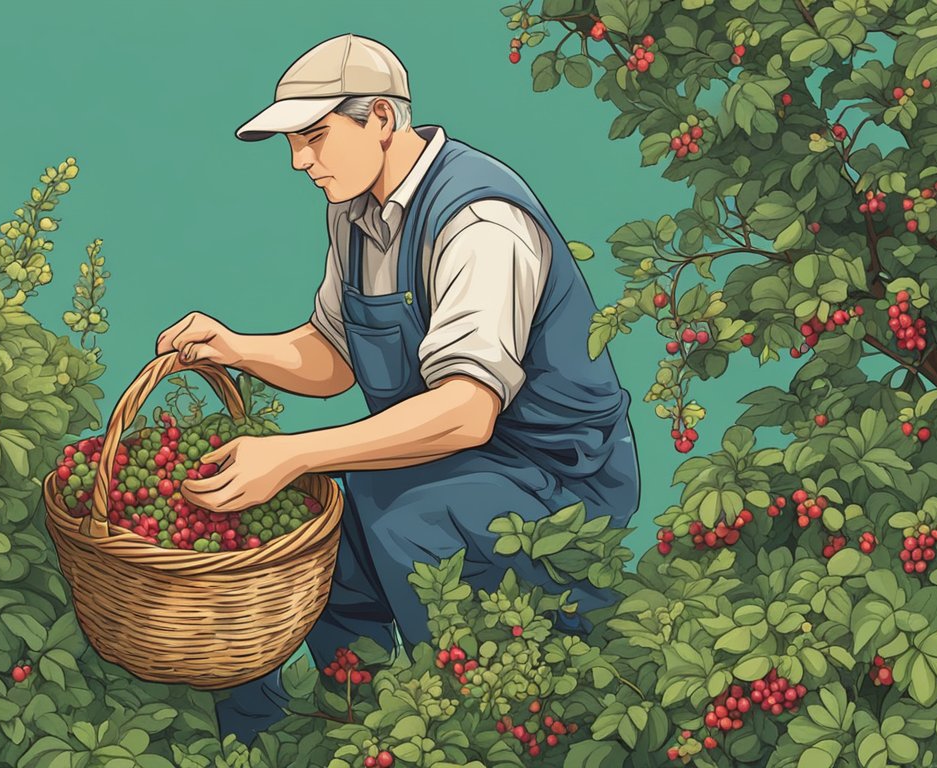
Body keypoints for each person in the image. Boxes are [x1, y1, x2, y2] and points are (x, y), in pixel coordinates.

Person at [155, 32, 640, 745]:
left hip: (555, 481)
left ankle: (475, 731)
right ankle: (339, 733)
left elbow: (469, 412)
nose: (299, 161)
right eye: (292, 142)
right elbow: (334, 357)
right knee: (324, 548)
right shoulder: (353, 211)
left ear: (380, 119)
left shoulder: (480, 220)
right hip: (440, 462)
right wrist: (236, 347)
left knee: (396, 512)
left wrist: (292, 455)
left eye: (315, 137)